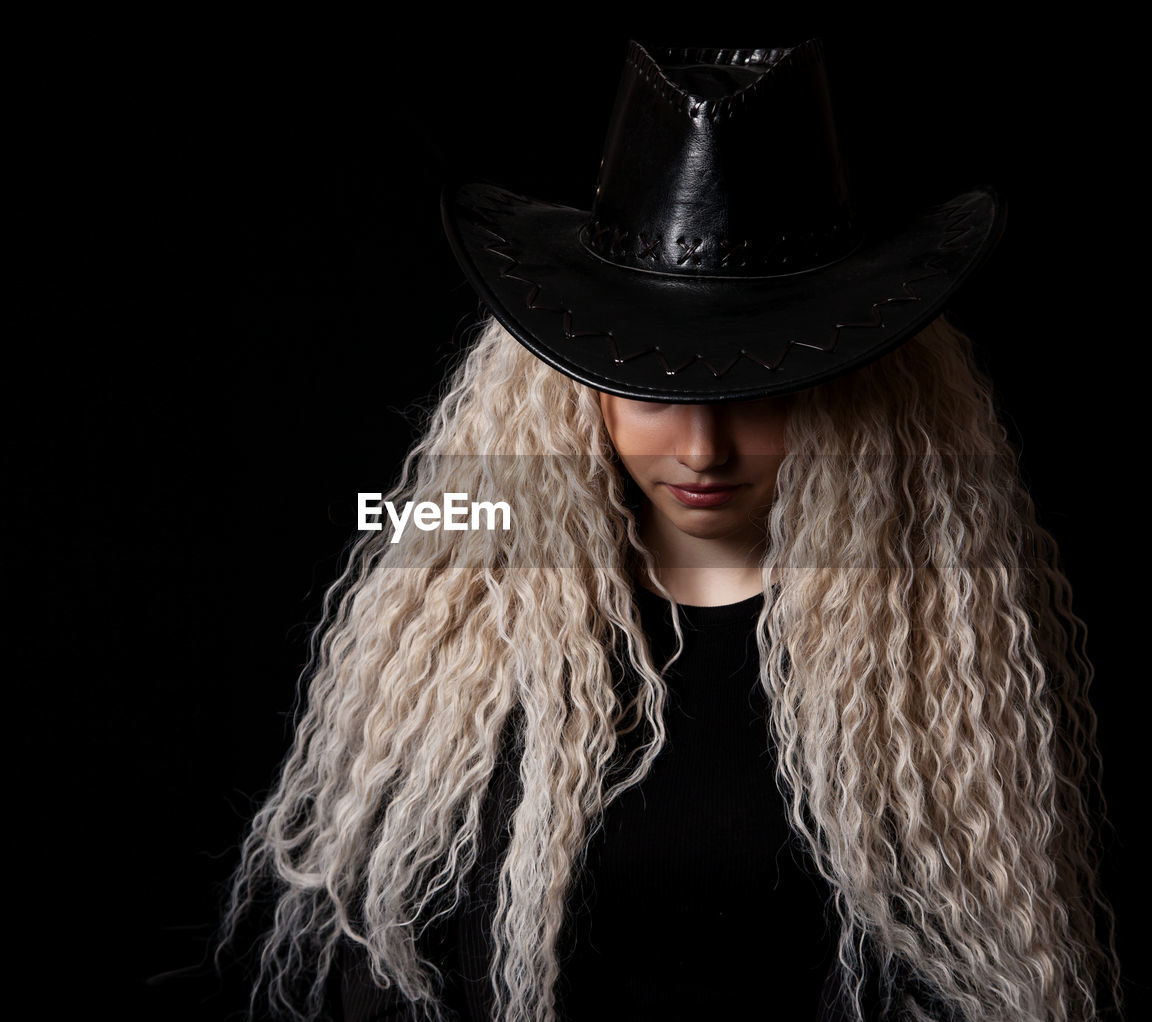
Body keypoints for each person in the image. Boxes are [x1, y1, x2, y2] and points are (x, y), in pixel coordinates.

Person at [221, 40, 1121, 1022]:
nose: (701, 446)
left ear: (850, 383)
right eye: (647, 390)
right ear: (571, 395)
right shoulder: (470, 594)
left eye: (759, 390)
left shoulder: (933, 643)